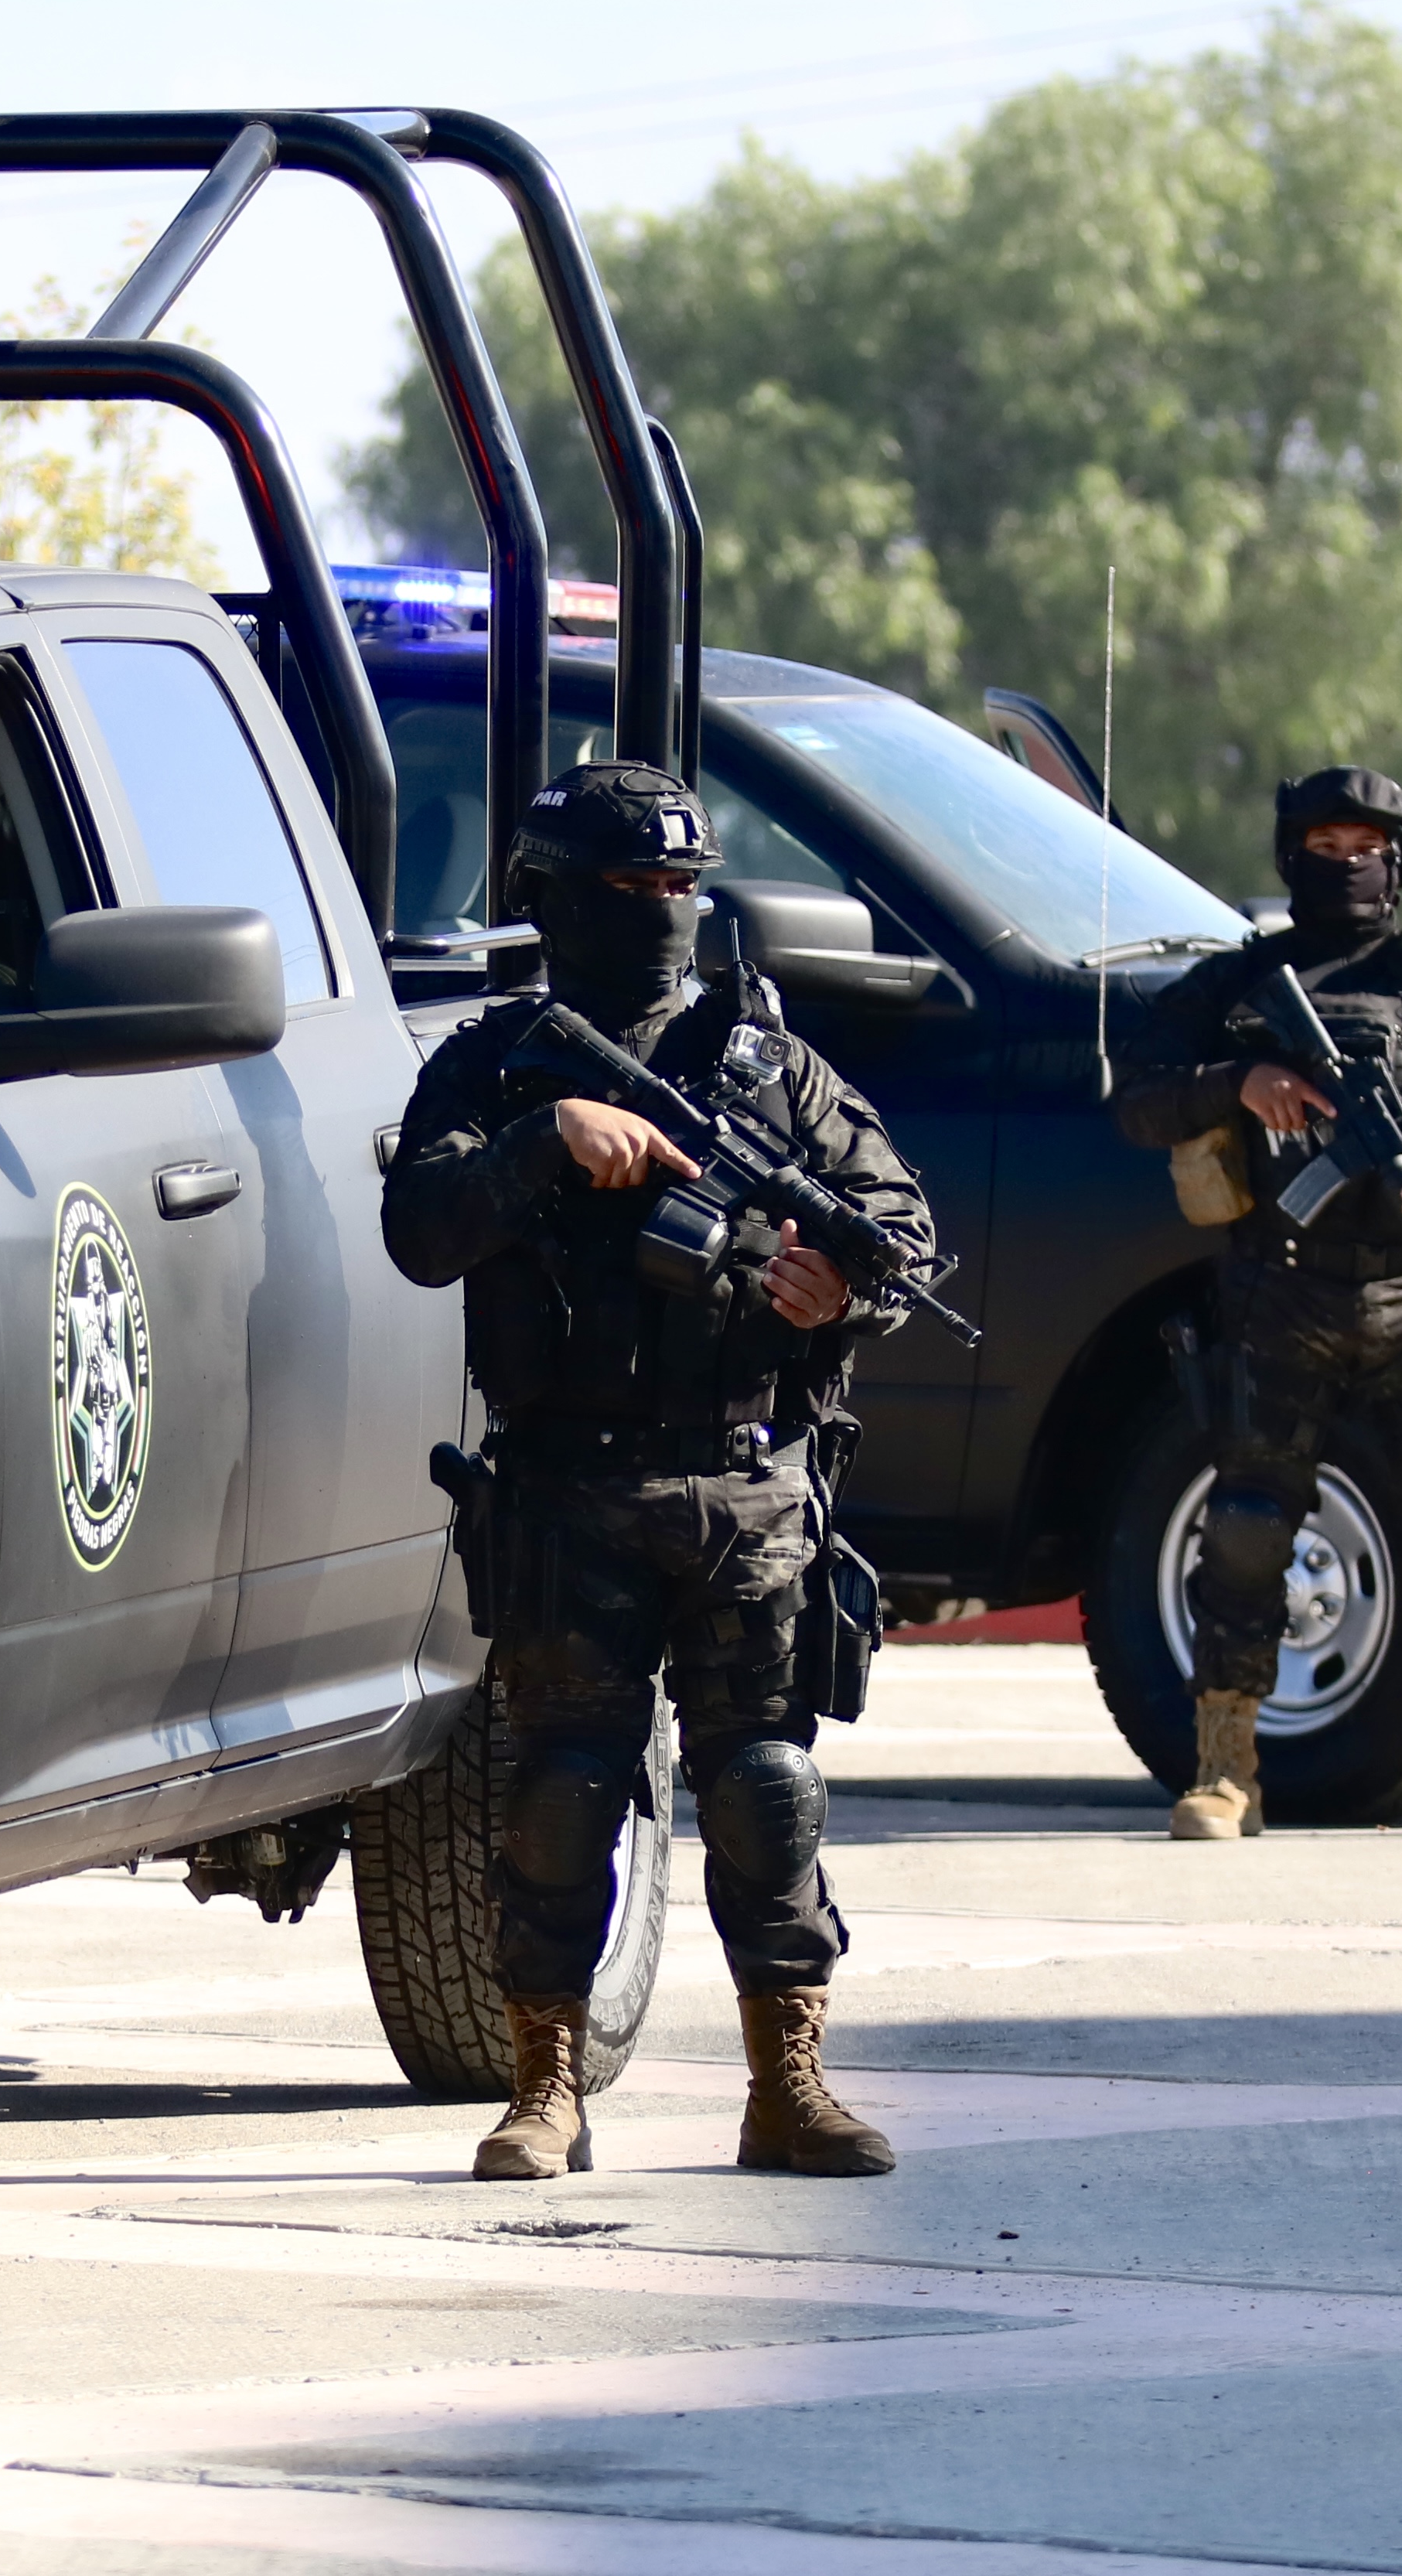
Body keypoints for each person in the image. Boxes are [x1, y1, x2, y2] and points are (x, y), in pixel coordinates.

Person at [383, 759, 940, 2183]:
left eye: (681, 886)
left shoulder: (769, 1070)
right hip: (570, 1496)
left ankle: (787, 2085)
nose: (660, 910)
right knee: (564, 1795)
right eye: (630, 887)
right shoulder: (495, 1063)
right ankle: (547, 2087)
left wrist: (840, 1293)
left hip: (747, 1488)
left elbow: (900, 1232)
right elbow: (421, 1230)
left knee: (767, 1792)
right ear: (556, 899)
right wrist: (543, 1142)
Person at [1109, 766, 1402, 1842]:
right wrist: (1240, 1083)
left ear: (1397, 861)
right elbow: (1135, 1093)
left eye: (1365, 846)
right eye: (1324, 844)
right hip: (1282, 1288)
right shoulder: (1246, 982)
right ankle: (1226, 1773)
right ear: (1291, 854)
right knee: (1246, 1529)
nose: (1346, 863)